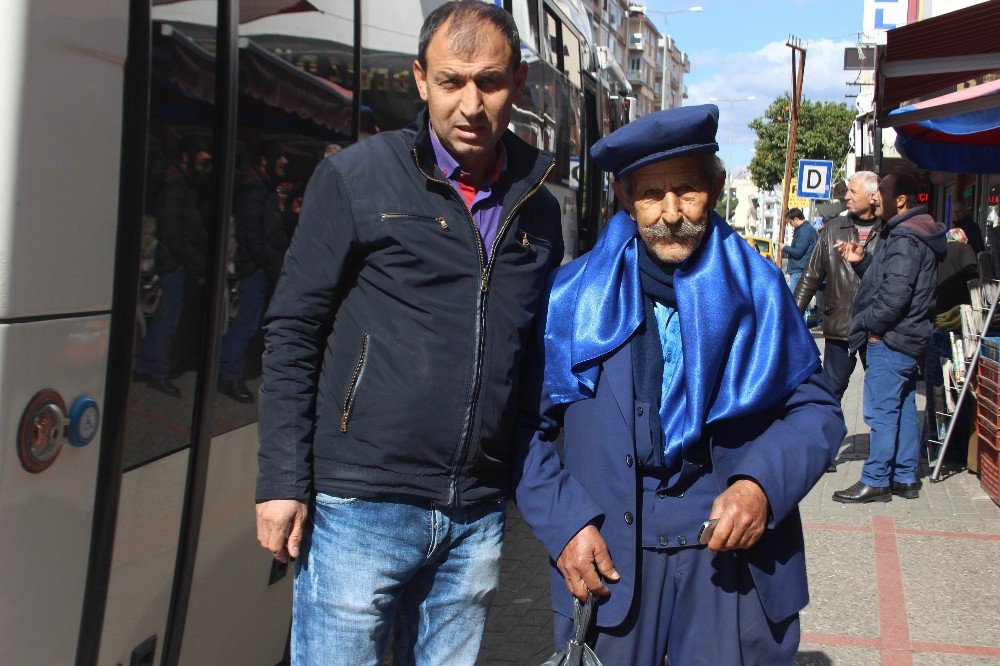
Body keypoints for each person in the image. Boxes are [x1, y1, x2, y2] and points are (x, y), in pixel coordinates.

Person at [254, 3, 563, 664]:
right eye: (452, 81)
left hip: (474, 514)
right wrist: (282, 480)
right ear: (420, 79)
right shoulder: (357, 178)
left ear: (521, 81)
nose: (471, 104)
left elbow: (530, 358)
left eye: (490, 81)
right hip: (360, 505)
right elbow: (292, 332)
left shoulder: (538, 209)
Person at [515, 105, 846, 664]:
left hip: (732, 571)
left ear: (716, 188)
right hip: (610, 564)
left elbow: (817, 412)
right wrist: (565, 525)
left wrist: (760, 486)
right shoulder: (573, 296)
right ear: (625, 196)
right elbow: (525, 428)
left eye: (687, 190)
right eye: (651, 195)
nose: (671, 214)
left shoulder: (759, 289)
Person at [834, 173, 945, 503]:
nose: (876, 197)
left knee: (881, 411)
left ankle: (876, 479)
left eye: (882, 191)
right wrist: (863, 261)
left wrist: (871, 326)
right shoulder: (910, 233)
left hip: (893, 338)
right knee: (905, 406)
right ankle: (906, 476)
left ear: (901, 200)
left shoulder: (905, 237)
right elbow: (891, 279)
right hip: (907, 338)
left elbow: (895, 295)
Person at [793, 171, 883, 402]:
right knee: (831, 391)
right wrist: (792, 316)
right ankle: (826, 436)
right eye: (847, 191)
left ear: (872, 196)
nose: (847, 196)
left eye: (853, 191)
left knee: (879, 396)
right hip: (841, 324)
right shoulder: (834, 229)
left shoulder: (888, 231)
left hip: (877, 328)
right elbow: (811, 275)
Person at [134, 135, 212, 398]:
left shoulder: (183, 183)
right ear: (185, 157)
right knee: (168, 319)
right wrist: (191, 259)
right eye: (200, 151)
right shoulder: (177, 184)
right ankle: (159, 373)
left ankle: (145, 365)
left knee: (165, 319)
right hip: (172, 263)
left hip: (174, 260)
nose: (206, 158)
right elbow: (172, 230)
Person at [218, 141, 290, 404]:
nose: (284, 161)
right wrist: (272, 263)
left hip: (262, 266)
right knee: (247, 323)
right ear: (263, 161)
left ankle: (232, 370)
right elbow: (253, 236)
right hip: (255, 268)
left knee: (251, 322)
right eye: (278, 155)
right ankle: (229, 374)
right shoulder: (255, 190)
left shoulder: (264, 188)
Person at [924, 227, 978, 458]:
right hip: (957, 324)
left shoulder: (935, 253)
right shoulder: (964, 249)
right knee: (957, 386)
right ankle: (956, 445)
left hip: (936, 321)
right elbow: (972, 274)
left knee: (937, 387)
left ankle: (937, 440)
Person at [780, 207, 817, 291]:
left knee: (795, 300)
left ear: (796, 219)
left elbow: (798, 252)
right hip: (799, 269)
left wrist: (784, 247)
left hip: (800, 270)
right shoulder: (803, 229)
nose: (790, 225)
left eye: (790, 222)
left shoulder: (805, 231)